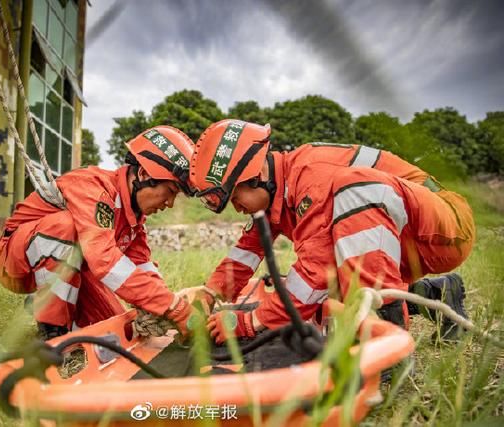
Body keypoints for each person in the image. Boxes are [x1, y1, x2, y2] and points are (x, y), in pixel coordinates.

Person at [185, 119, 475, 344]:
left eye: (236, 199)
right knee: (325, 303)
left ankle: (384, 337)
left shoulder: (311, 176)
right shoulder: (277, 188)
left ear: (257, 175)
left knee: (353, 190)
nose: (237, 208)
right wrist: (210, 293)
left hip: (445, 229)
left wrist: (251, 322)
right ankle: (438, 295)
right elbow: (248, 249)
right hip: (407, 233)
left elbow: (315, 271)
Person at [0, 126, 195, 340]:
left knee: (116, 331)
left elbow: (141, 265)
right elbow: (104, 260)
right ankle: (52, 332)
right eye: (171, 191)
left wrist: (164, 304)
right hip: (15, 261)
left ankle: (58, 314)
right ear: (143, 174)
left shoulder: (132, 219)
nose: (170, 203)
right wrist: (172, 308)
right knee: (64, 225)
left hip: (74, 268)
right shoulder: (92, 186)